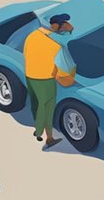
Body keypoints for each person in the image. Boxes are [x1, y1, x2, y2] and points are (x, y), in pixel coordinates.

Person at [24, 13, 77, 149]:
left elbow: (27, 55)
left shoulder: (32, 36)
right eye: (63, 24)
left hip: (30, 76)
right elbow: (65, 70)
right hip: (46, 79)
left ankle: (38, 128)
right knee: (47, 108)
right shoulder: (56, 47)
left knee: (36, 104)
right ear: (55, 26)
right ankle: (48, 137)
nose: (65, 27)